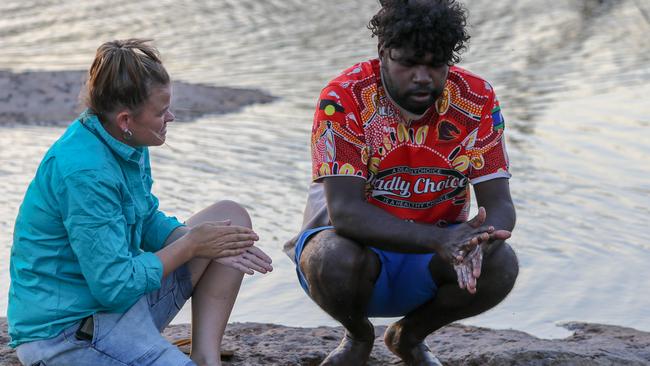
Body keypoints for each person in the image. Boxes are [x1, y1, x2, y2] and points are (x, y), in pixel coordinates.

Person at [8, 39, 273, 366]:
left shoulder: (124, 140)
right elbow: (113, 286)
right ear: (125, 120)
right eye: (161, 112)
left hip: (118, 306)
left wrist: (214, 242)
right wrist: (191, 245)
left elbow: (145, 219)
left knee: (230, 217)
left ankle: (207, 356)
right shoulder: (85, 172)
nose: (171, 117)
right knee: (202, 238)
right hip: (68, 334)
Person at [283, 0, 519, 364]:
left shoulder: (476, 98)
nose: (423, 77)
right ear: (383, 53)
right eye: (408, 62)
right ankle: (357, 337)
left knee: (501, 264)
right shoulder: (345, 97)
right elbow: (345, 214)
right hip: (356, 255)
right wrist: (441, 239)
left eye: (435, 63)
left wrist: (478, 240)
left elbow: (500, 204)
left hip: (432, 261)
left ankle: (409, 336)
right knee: (331, 256)